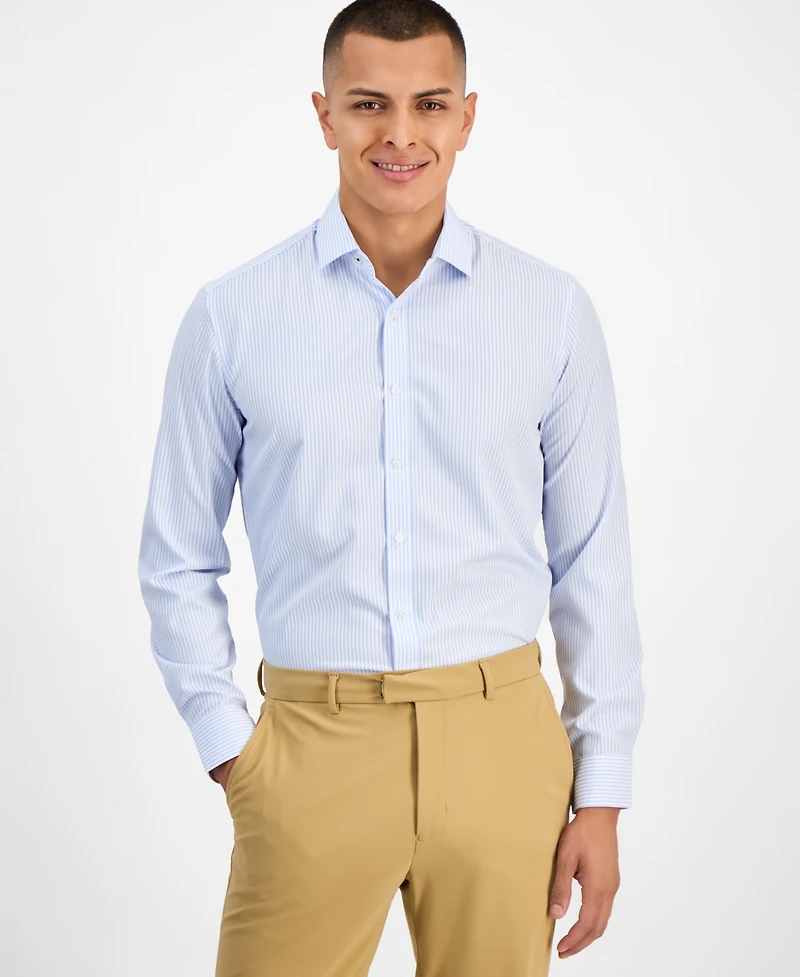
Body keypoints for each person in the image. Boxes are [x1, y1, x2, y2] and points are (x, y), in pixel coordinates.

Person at [137, 1, 645, 974]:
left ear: (467, 117)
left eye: (430, 104)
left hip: (503, 743)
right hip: (310, 747)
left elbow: (593, 559)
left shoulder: (548, 311)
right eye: (369, 103)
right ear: (324, 114)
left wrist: (603, 792)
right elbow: (177, 555)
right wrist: (233, 751)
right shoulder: (233, 316)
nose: (400, 134)